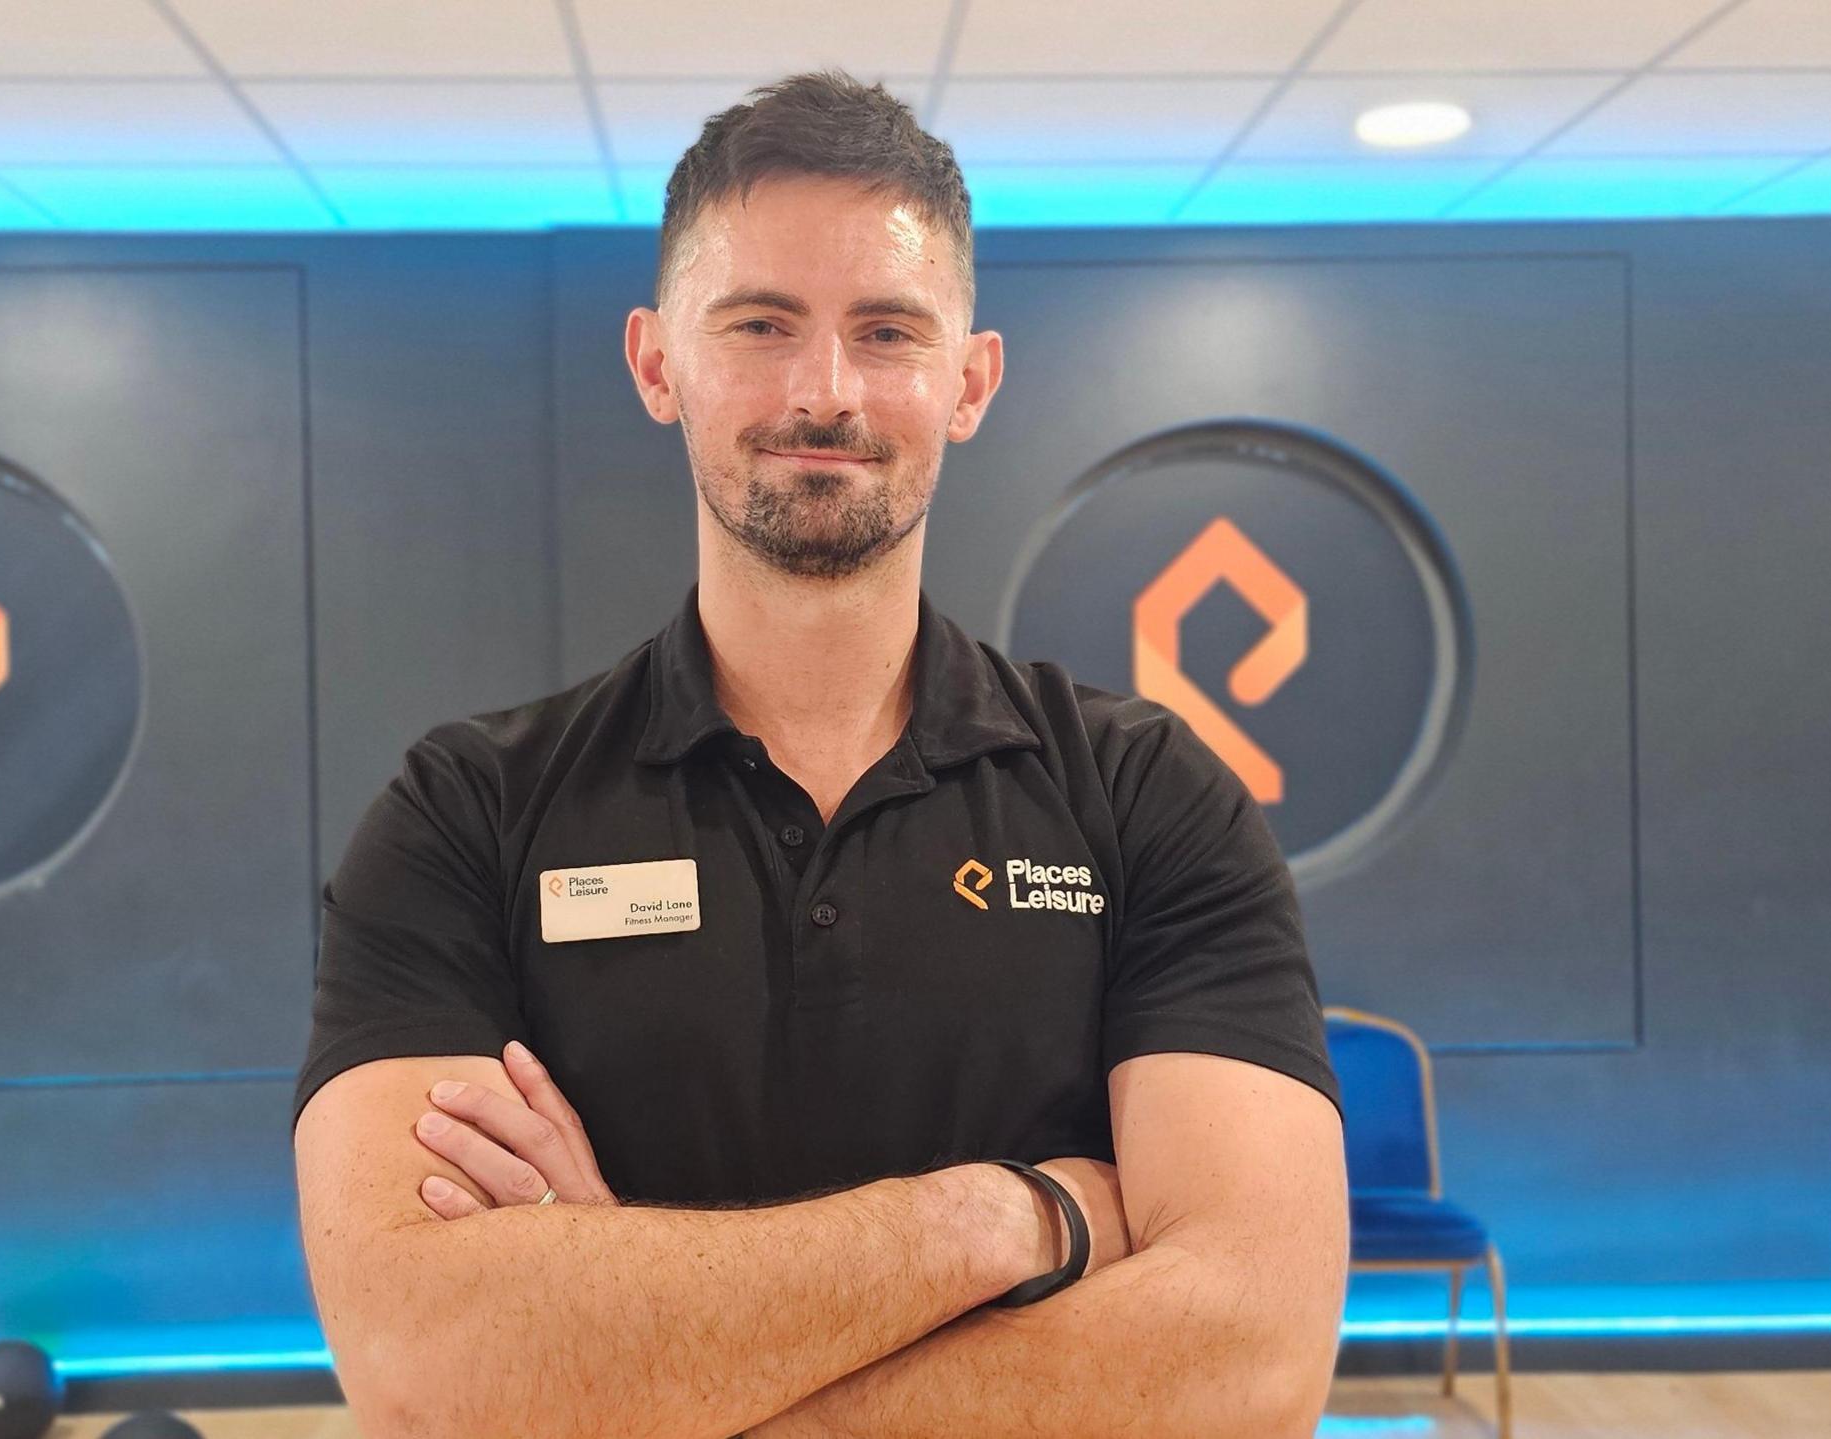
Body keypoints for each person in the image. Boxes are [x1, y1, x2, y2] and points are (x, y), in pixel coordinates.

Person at [292, 69, 1349, 1439]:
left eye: (889, 330)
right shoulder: (467, 816)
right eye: (761, 324)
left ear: (970, 383)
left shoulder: (1149, 801)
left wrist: (636, 1366)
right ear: (656, 362)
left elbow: (1248, 1369)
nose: (825, 391)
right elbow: (427, 1367)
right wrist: (1007, 1217)